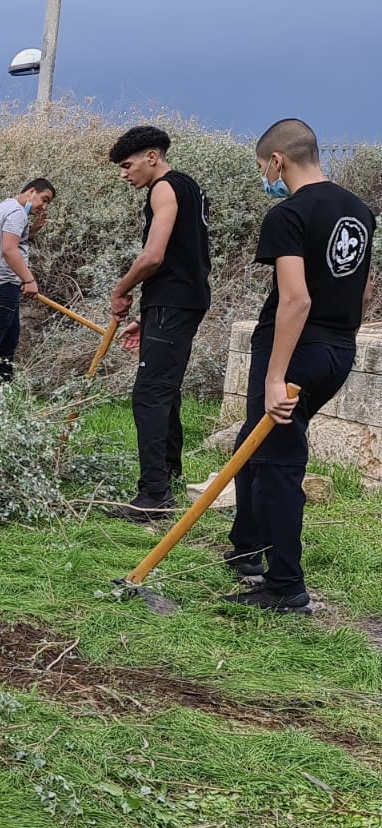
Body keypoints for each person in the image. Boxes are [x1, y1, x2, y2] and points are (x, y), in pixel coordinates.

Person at [224, 118, 374, 614]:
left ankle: (285, 585)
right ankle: (246, 545)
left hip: (294, 351)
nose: (265, 175)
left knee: (279, 465)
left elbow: (295, 301)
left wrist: (274, 377)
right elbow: (365, 289)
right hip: (337, 349)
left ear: (277, 161)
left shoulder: (288, 214)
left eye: (263, 167)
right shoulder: (358, 211)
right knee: (255, 440)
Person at [105, 126, 213, 522]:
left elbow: (153, 256)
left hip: (172, 301)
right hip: (178, 302)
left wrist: (121, 290)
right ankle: (167, 475)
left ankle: (153, 496)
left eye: (127, 165)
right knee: (165, 390)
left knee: (149, 395)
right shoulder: (191, 187)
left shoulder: (164, 188)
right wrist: (147, 320)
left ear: (153, 157)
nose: (123, 174)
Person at [0, 178, 56, 381]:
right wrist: (29, 280)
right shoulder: (17, 214)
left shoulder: (7, 206)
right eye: (44, 199)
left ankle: (5, 382)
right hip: (1, 285)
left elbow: (10, 241)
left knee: (9, 338)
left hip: (1, 283)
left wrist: (33, 230)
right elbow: (9, 249)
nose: (44, 205)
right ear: (31, 191)